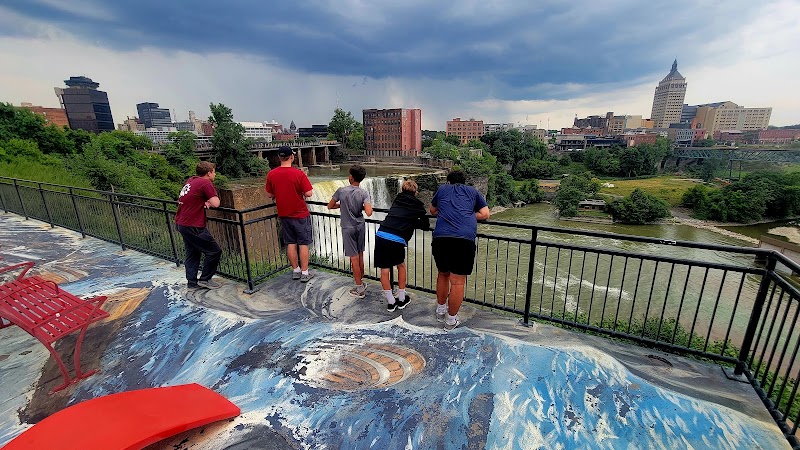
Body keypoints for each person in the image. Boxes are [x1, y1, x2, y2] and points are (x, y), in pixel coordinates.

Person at [430, 170, 490, 330]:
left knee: (443, 274)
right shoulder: (472, 191)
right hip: (463, 240)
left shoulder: (442, 189)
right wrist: (467, 215)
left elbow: (432, 210)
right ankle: (450, 321)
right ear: (464, 181)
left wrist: (448, 212)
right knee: (457, 282)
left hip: (441, 238)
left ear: (448, 181)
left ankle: (440, 311)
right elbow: (485, 214)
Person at [374, 180, 430, 312]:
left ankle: (391, 302)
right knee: (401, 266)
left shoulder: (397, 199)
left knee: (384, 270)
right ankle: (401, 298)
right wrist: (413, 223)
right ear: (415, 192)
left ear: (402, 189)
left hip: (381, 234)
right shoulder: (418, 205)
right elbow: (426, 226)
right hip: (397, 238)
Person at [265, 145, 315, 282]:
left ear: (279, 157)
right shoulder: (298, 174)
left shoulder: (271, 174)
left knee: (290, 243)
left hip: (284, 214)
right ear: (292, 157)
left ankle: (295, 270)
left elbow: (269, 194)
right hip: (300, 214)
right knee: (303, 243)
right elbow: (309, 193)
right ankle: (305, 273)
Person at [175, 161, 223, 289]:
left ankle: (192, 282)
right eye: (214, 172)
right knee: (214, 251)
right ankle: (205, 279)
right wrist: (209, 200)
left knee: (193, 253)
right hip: (193, 225)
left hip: (182, 223)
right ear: (209, 173)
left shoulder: (191, 180)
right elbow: (216, 203)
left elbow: (194, 198)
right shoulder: (205, 183)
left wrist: (204, 201)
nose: (215, 174)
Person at [327, 165, 373, 297]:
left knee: (354, 259)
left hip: (348, 228)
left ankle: (359, 289)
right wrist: (361, 207)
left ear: (351, 178)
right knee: (360, 255)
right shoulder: (364, 193)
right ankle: (361, 282)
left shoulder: (341, 191)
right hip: (360, 226)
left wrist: (343, 206)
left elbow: (330, 206)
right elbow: (369, 212)